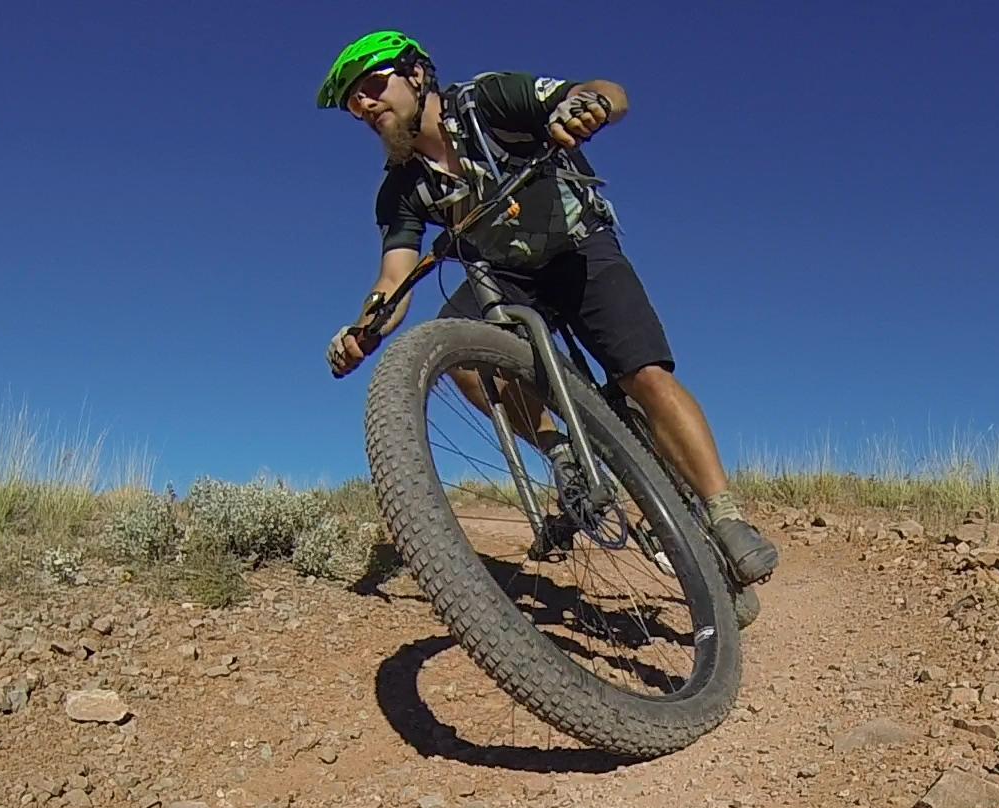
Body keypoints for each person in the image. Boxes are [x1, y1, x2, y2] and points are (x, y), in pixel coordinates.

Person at [317, 30, 778, 587]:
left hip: (579, 251)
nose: (365, 106)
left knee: (644, 377)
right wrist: (365, 328)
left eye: (371, 86)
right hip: (506, 276)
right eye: (354, 105)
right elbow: (395, 276)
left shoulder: (487, 100)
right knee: (457, 346)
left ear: (416, 74)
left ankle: (724, 516)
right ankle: (562, 456)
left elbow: (605, 91)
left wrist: (589, 107)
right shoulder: (400, 189)